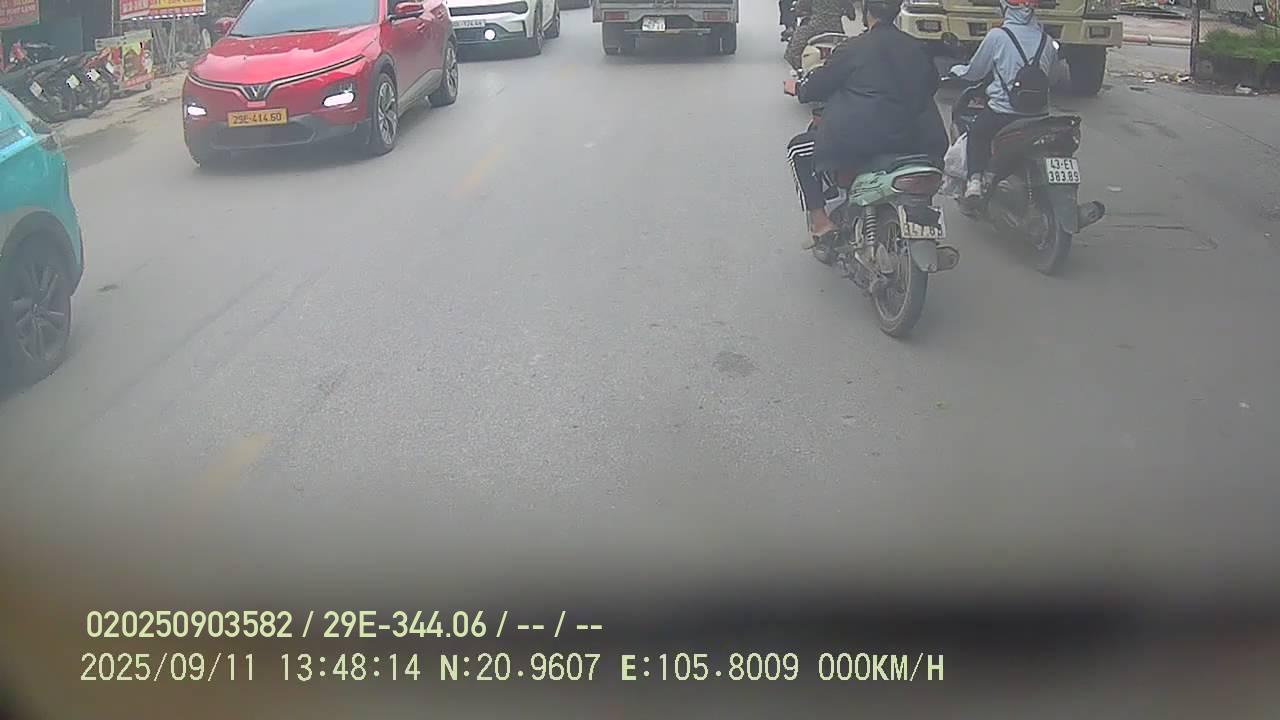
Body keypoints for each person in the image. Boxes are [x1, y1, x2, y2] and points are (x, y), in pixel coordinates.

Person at [783, 0, 943, 248]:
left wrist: (800, 88)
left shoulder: (853, 47)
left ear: (867, 13)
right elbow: (932, 85)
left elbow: (819, 85)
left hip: (864, 141)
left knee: (797, 149)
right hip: (919, 140)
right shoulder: (918, 47)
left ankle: (821, 223)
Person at [949, 0, 1056, 199]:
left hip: (1003, 113)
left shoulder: (997, 36)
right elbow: (1052, 76)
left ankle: (974, 182)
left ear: (1006, 8)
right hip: (1039, 116)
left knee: (977, 134)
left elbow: (976, 72)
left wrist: (957, 71)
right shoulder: (1047, 41)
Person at [784, 0, 855, 70]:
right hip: (836, 30)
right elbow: (852, 16)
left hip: (815, 29)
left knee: (794, 50)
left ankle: (799, 69)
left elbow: (800, 7)